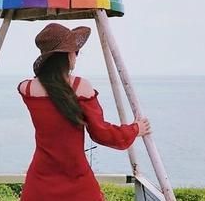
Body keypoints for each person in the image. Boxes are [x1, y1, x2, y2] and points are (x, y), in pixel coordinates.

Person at [17, 22, 151, 201]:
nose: (76, 55)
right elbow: (101, 133)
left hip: (39, 181)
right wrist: (135, 129)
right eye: (75, 51)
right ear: (65, 56)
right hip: (76, 181)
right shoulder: (81, 87)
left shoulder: (26, 88)